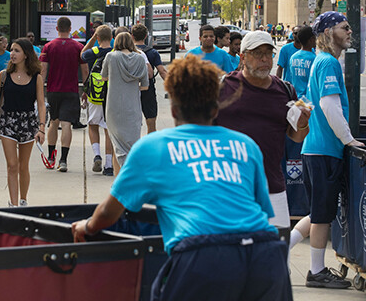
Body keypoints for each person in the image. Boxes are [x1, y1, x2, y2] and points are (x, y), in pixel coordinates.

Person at [72, 55, 292, 301]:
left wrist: (86, 226)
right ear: (216, 108)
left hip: (202, 256)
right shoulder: (245, 145)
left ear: (174, 109)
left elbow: (108, 213)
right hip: (266, 255)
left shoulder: (153, 148)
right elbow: (261, 208)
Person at [215, 31, 311, 230]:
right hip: (230, 190)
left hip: (273, 188)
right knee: (233, 257)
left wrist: (303, 122)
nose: (265, 59)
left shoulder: (285, 90)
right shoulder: (222, 87)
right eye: (258, 54)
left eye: (269, 54)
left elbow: (296, 136)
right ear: (242, 57)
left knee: (277, 255)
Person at [297, 12, 364, 289]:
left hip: (315, 148)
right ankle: (316, 271)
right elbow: (329, 106)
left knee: (318, 212)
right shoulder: (328, 63)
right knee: (323, 215)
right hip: (325, 149)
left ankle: (277, 253)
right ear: (327, 32)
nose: (350, 31)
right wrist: (349, 139)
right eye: (344, 27)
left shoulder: (323, 62)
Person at [0, 38, 46, 207]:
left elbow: (40, 104)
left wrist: (42, 128)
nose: (12, 54)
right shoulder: (4, 75)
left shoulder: (36, 78)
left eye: (16, 51)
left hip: (28, 123)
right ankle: (13, 204)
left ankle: (23, 200)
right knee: (12, 165)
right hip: (8, 121)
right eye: (12, 50)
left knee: (23, 166)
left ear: (26, 54)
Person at [40, 17, 88, 173]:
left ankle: (51, 156)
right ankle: (63, 160)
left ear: (56, 28)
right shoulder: (78, 47)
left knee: (53, 123)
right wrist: (86, 90)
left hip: (53, 90)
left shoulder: (48, 47)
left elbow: (43, 70)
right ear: (70, 28)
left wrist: (40, 90)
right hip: (71, 90)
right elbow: (85, 70)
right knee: (67, 125)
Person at [101, 32, 149, 174]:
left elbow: (104, 77)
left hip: (114, 107)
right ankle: (132, 175)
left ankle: (118, 180)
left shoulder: (111, 56)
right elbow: (145, 86)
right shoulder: (140, 59)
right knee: (132, 144)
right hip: (132, 107)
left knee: (117, 144)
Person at [80, 24, 114, 176]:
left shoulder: (94, 51)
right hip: (110, 96)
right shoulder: (115, 52)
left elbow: (81, 54)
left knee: (93, 125)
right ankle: (108, 165)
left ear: (98, 37)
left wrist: (92, 39)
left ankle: (97, 155)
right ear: (112, 38)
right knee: (108, 130)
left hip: (94, 95)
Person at [132, 23, 167, 134]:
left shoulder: (128, 52)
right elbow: (162, 71)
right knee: (151, 119)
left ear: (132, 36)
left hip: (131, 88)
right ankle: (150, 143)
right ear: (146, 36)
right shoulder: (152, 53)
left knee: (131, 122)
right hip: (148, 87)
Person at [287, 26, 316, 98]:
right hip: (309, 99)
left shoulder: (293, 57)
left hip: (296, 98)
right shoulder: (314, 58)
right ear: (311, 39)